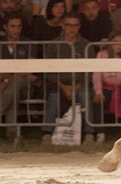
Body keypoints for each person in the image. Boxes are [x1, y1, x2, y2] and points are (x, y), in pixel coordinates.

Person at [42, 12, 97, 144]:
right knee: (53, 98)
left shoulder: (86, 45)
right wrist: (63, 86)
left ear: (79, 26)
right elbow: (48, 71)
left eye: (75, 25)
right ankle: (47, 134)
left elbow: (90, 71)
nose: (72, 29)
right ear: (62, 26)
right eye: (69, 25)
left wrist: (77, 86)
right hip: (59, 84)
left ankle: (89, 134)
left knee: (85, 96)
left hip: (81, 84)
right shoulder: (53, 44)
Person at [0, 12, 38, 139]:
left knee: (16, 83)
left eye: (19, 26)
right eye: (13, 26)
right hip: (7, 86)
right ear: (5, 27)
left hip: (26, 87)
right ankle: (12, 133)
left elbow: (29, 69)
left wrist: (7, 78)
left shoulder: (29, 44)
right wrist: (15, 76)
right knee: (14, 89)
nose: (16, 30)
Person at [92, 30, 121, 143]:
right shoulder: (101, 55)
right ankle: (100, 133)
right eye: (116, 42)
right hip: (106, 87)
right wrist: (98, 92)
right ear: (110, 42)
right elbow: (97, 75)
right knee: (98, 102)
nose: (119, 45)